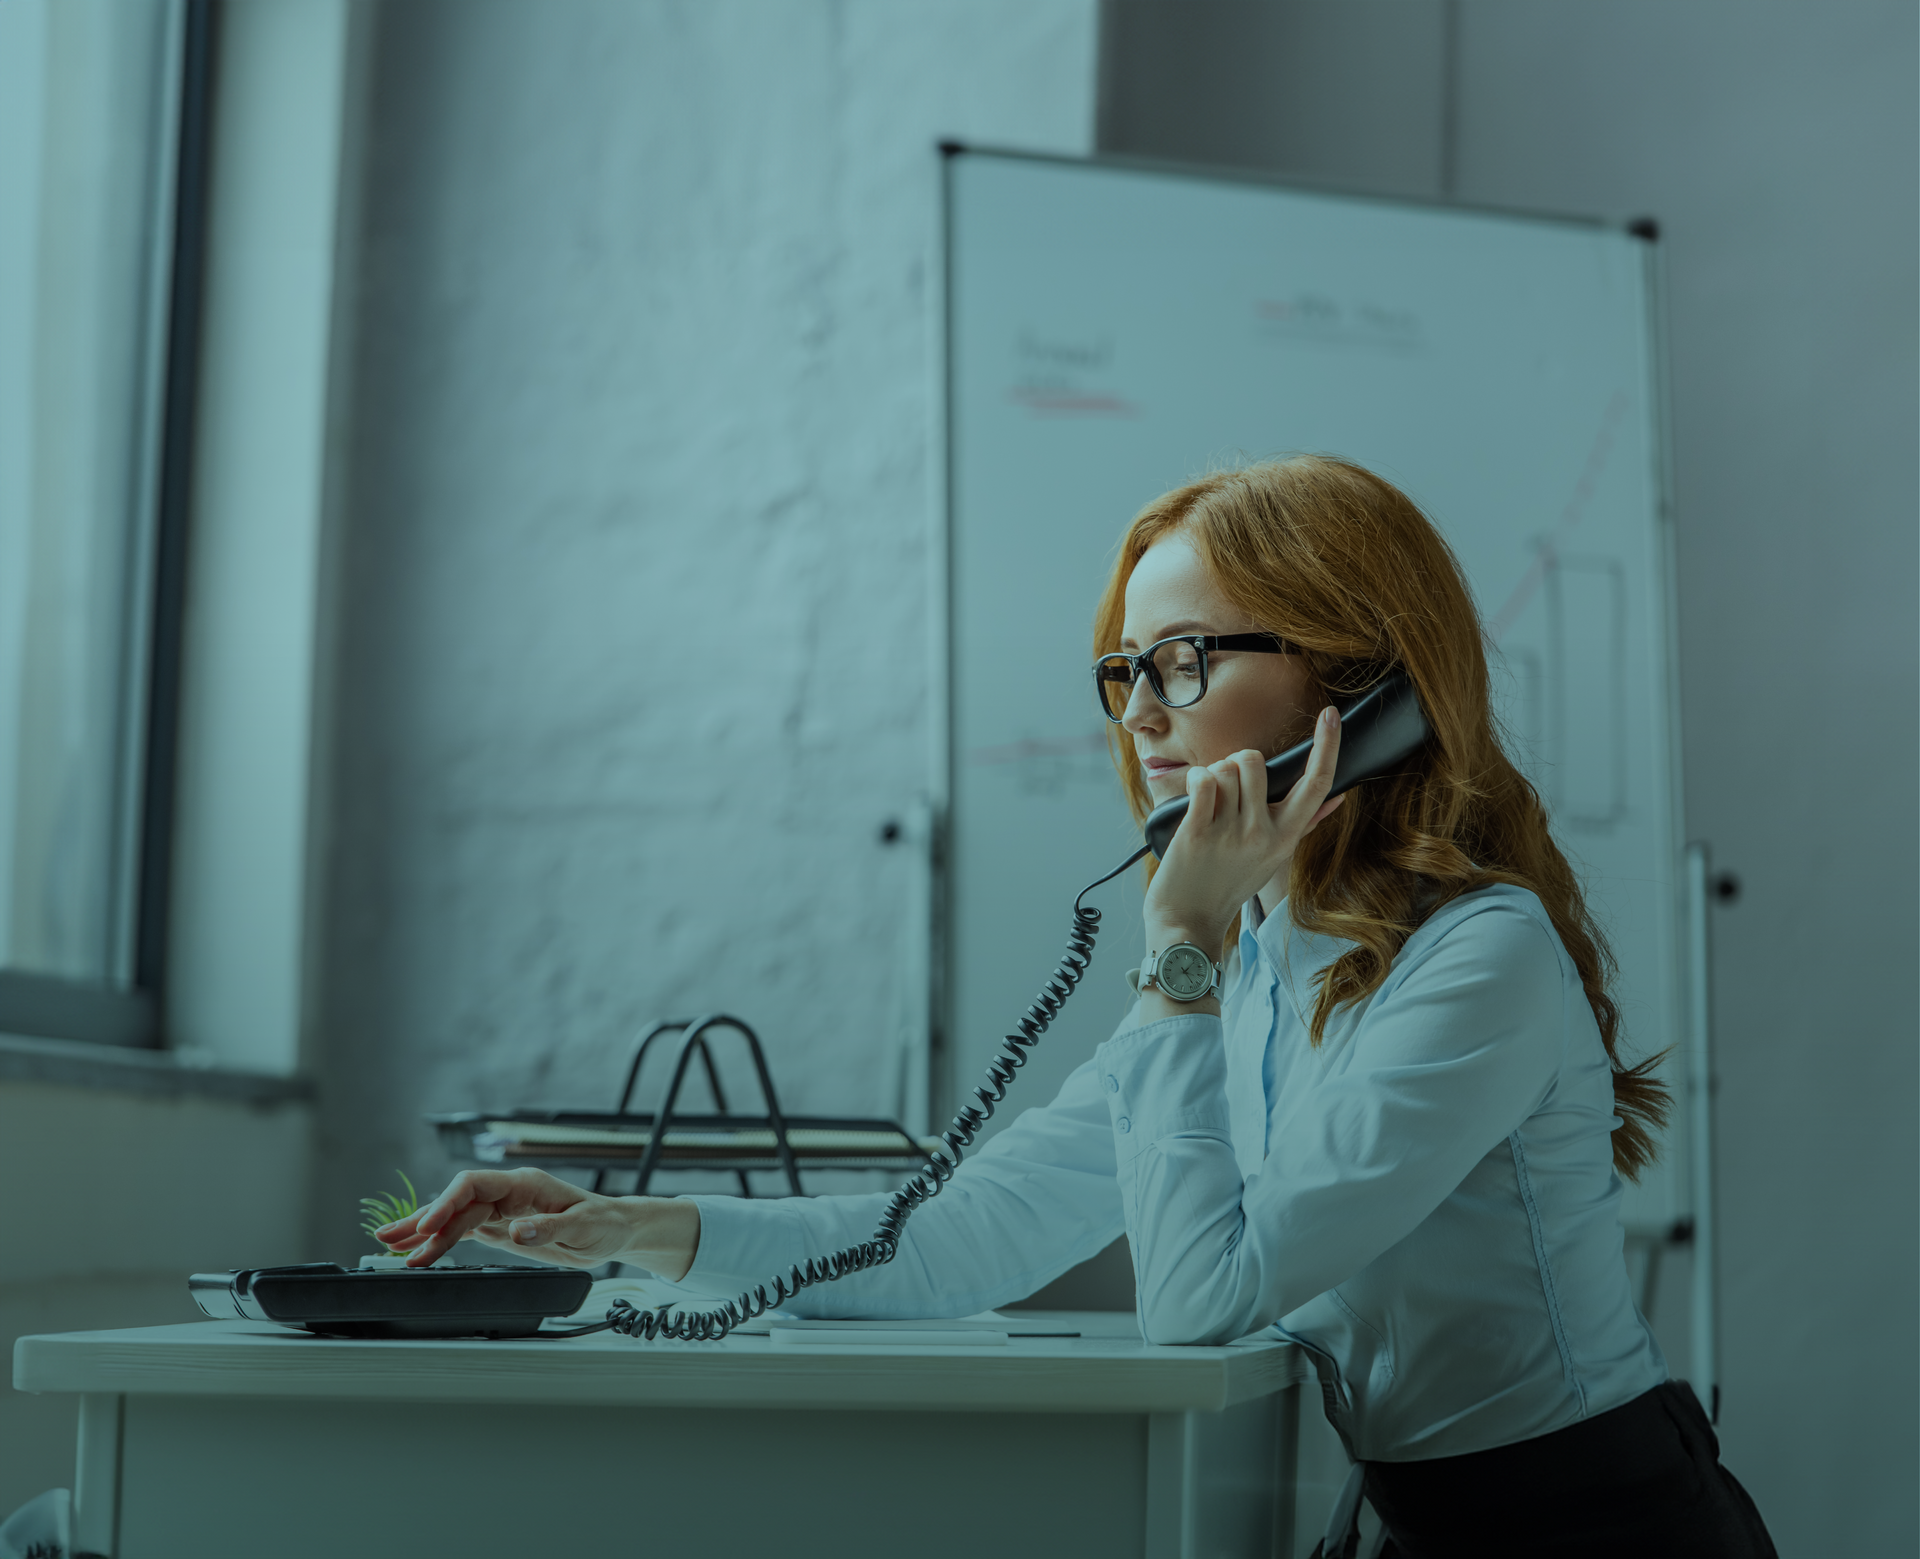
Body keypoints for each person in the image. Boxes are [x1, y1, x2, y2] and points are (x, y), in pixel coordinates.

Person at [380, 457, 1777, 1558]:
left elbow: (1200, 1302)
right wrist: (622, 1225)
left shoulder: (1481, 958)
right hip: (1427, 1523)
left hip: (1597, 1524)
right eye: (1128, 671)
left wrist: (1178, 940)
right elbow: (958, 1241)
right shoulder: (1242, 969)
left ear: (1364, 686)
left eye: (1188, 658)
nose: (1143, 717)